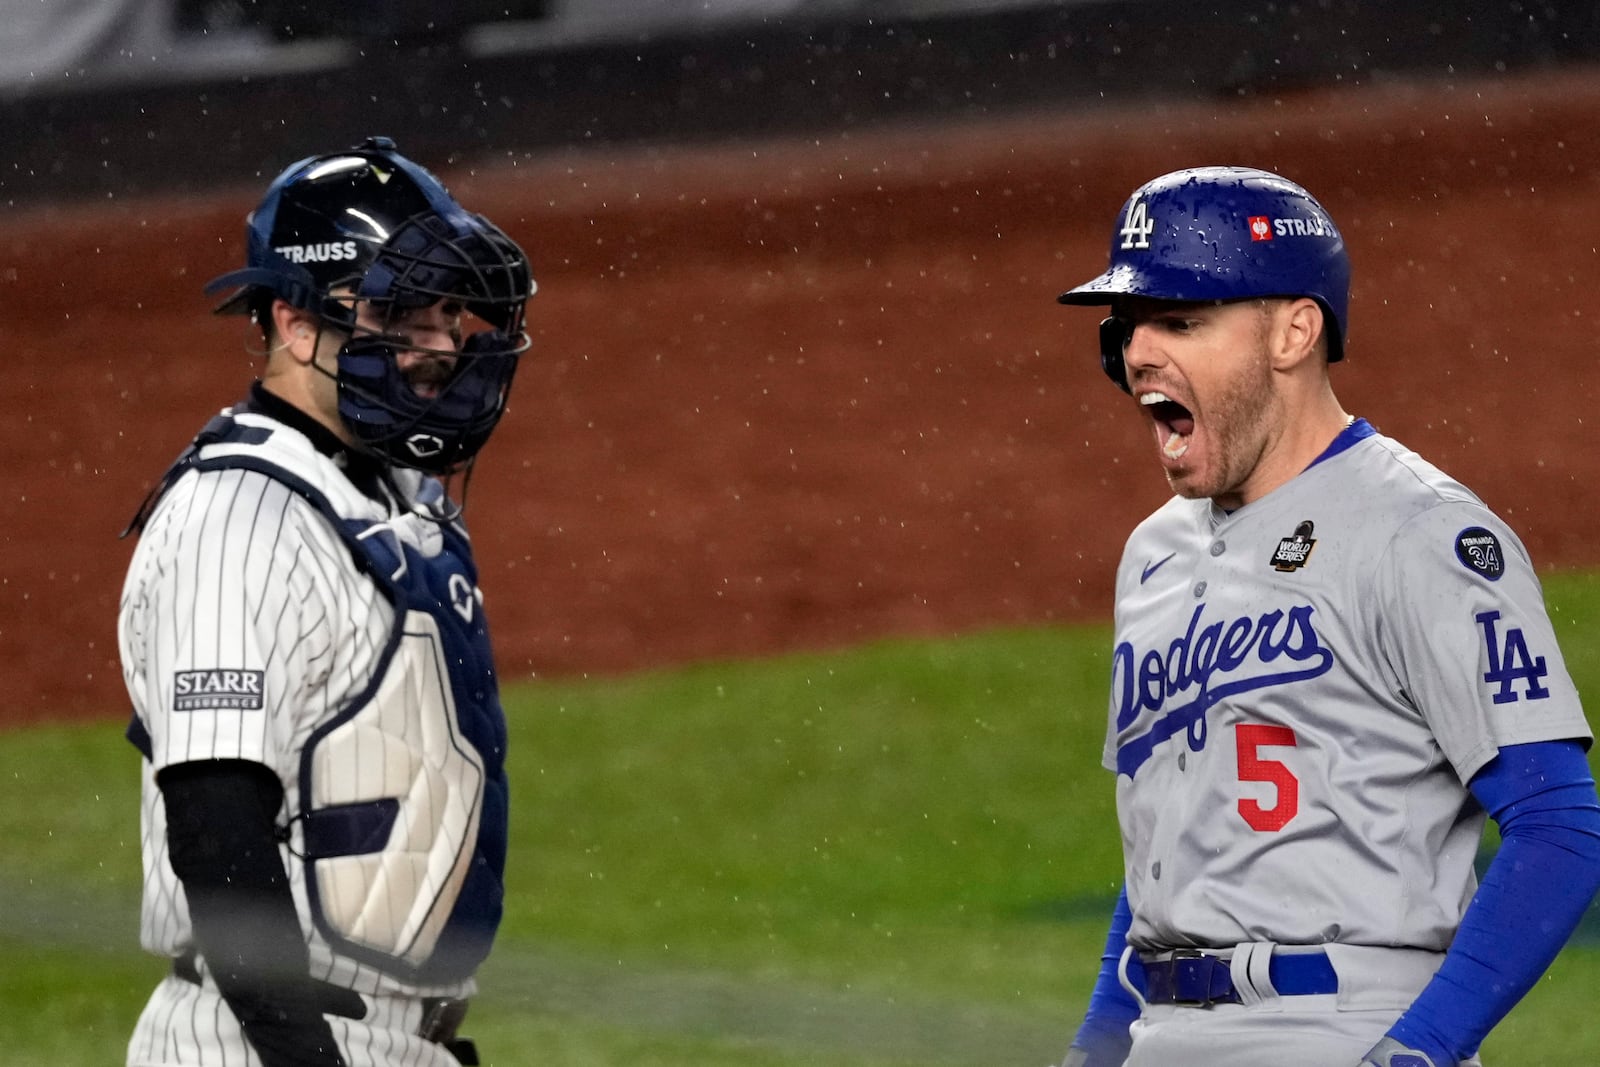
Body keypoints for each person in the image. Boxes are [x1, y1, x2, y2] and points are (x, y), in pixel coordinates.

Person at [1052, 166, 1600, 1067]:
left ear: (1294, 332)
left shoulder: (1420, 531)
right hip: (1160, 1034)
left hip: (1338, 1026)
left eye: (1181, 320)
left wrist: (1418, 1050)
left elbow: (1557, 827)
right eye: (1128, 326)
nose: (1138, 352)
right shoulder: (1152, 553)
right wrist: (1096, 1045)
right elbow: (1174, 848)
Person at [117, 136, 534, 1067]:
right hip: (266, 1042)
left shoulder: (384, 493)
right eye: (399, 312)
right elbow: (219, 826)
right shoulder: (238, 520)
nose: (437, 346)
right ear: (294, 323)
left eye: (446, 311)